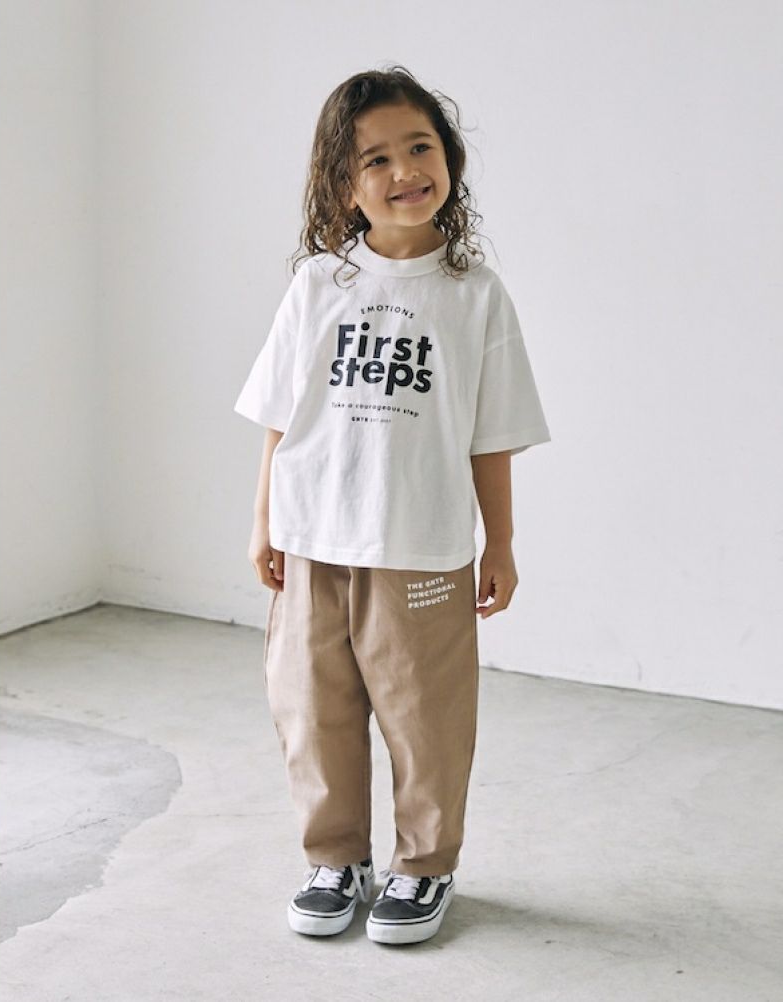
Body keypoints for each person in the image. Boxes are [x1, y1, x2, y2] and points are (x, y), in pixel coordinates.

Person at [233, 65, 551, 946]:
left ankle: (424, 864)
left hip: (420, 545)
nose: (405, 170)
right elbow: (278, 417)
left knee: (426, 717)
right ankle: (336, 856)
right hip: (313, 539)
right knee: (312, 709)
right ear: (344, 184)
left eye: (420, 147)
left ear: (449, 160)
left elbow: (493, 433)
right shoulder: (319, 284)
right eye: (375, 159)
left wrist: (501, 543)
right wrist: (263, 521)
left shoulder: (473, 294)